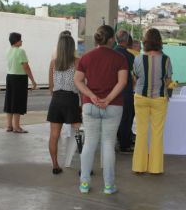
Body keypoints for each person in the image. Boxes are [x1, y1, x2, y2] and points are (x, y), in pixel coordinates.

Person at [74, 25, 128, 194]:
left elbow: (78, 81)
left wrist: (92, 96)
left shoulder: (86, 57)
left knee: (89, 143)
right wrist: (108, 99)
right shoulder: (120, 58)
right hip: (113, 106)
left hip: (90, 105)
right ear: (111, 39)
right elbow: (122, 82)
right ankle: (109, 186)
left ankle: (84, 183)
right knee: (108, 144)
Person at [132, 28, 172, 174]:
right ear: (159, 42)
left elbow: (135, 78)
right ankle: (155, 168)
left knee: (141, 132)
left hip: (140, 98)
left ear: (145, 42)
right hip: (159, 99)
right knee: (157, 133)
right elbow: (168, 80)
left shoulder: (138, 58)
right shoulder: (166, 59)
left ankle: (139, 167)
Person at [47, 34, 81, 175]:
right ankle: (84, 166)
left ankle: (55, 165)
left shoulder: (53, 63)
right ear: (72, 47)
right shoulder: (77, 62)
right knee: (78, 133)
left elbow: (50, 86)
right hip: (71, 99)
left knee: (54, 135)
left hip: (56, 99)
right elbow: (81, 84)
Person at [4, 32, 37, 133]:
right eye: (20, 39)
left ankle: (9, 126)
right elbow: (26, 67)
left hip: (9, 77)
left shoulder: (8, 50)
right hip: (19, 78)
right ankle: (17, 127)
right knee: (18, 102)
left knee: (10, 101)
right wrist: (33, 81)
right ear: (16, 41)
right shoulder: (21, 51)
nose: (22, 41)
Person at [114, 30, 135, 153]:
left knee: (115, 117)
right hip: (125, 91)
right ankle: (125, 144)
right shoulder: (129, 56)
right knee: (126, 117)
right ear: (127, 41)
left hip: (111, 90)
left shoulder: (111, 53)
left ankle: (116, 139)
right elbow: (133, 76)